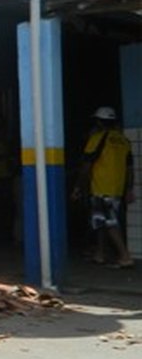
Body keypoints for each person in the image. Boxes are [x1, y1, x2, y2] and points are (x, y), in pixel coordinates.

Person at [72, 106, 135, 268]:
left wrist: (79, 186)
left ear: (99, 122)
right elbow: (129, 168)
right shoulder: (123, 141)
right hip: (117, 188)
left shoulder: (98, 138)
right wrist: (128, 189)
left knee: (109, 222)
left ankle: (125, 256)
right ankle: (100, 254)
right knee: (100, 220)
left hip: (101, 187)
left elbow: (87, 164)